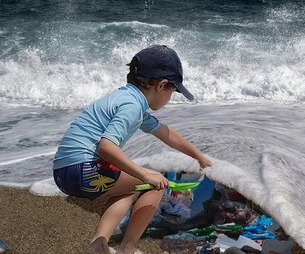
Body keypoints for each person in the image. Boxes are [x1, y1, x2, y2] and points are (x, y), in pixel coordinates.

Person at [52, 45, 212, 254]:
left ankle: (99, 244)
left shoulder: (125, 98)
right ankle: (127, 247)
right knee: (155, 183)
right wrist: (145, 174)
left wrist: (197, 155)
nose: (171, 96)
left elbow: (166, 133)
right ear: (162, 85)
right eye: (173, 91)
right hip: (86, 169)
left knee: (130, 188)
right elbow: (106, 147)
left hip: (63, 173)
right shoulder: (132, 107)